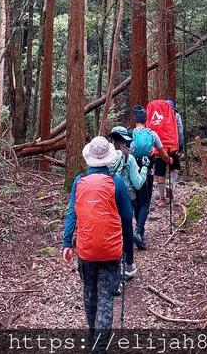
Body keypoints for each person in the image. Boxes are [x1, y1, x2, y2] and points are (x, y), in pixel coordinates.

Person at [62, 136, 133, 333]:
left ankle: (93, 334)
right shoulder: (116, 182)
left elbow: (72, 213)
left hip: (86, 249)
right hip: (111, 249)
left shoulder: (79, 181)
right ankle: (100, 345)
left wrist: (67, 243)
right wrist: (127, 244)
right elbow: (127, 217)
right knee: (106, 295)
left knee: (89, 292)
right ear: (109, 158)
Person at [108, 125, 149, 277]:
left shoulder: (105, 158)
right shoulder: (129, 158)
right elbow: (138, 183)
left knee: (111, 232)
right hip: (126, 200)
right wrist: (145, 167)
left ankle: (112, 268)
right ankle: (128, 264)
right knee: (126, 231)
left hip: (108, 200)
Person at [130, 105, 170, 249]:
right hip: (147, 174)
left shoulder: (130, 135)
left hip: (132, 174)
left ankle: (138, 230)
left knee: (137, 201)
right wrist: (168, 160)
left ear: (135, 120)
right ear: (146, 120)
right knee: (145, 203)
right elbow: (163, 154)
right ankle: (139, 232)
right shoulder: (152, 134)